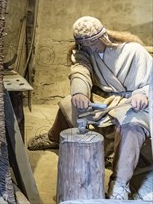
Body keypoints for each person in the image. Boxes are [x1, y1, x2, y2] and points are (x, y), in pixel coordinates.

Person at [27, 16, 152, 200]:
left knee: (131, 127)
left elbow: (149, 81)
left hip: (134, 103)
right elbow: (80, 70)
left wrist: (142, 93)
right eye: (85, 44)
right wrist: (80, 92)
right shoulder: (83, 52)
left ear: (102, 36)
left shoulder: (133, 51)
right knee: (70, 103)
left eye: (93, 42)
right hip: (106, 101)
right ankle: (52, 137)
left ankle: (118, 184)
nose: (90, 47)